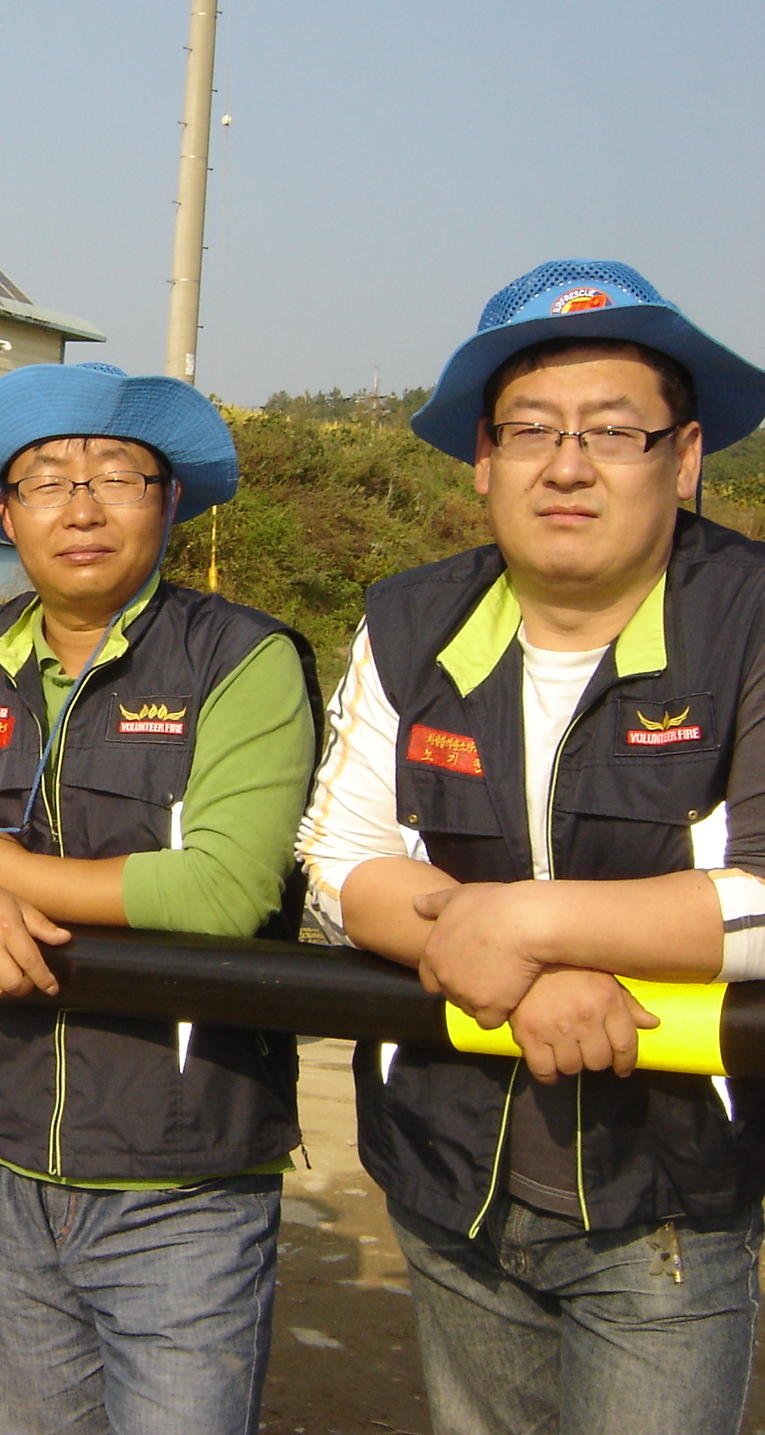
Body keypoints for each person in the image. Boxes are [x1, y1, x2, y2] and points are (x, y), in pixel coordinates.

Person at [297, 260, 765, 1435]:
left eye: (612, 430)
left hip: (669, 1202)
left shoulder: (747, 619)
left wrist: (526, 922)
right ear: (483, 459)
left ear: (684, 456)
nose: (566, 465)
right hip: (446, 1179)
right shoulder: (408, 621)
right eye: (530, 430)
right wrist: (520, 969)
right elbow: (339, 859)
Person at [0, 362, 318, 1435]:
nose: (83, 508)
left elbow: (223, 889)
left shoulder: (241, 659)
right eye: (48, 482)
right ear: (6, 515)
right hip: (4, 1150)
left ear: (169, 501)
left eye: (116, 477)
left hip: (183, 1174)